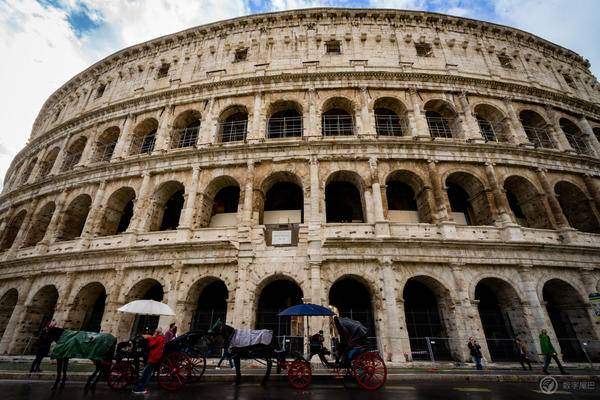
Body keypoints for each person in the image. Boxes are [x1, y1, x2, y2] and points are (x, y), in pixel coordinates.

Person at [133, 328, 165, 394]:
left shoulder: (159, 338)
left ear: (157, 332)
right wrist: (151, 337)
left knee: (146, 373)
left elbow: (150, 344)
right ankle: (140, 387)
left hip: (153, 358)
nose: (154, 332)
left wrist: (149, 338)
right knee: (147, 373)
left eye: (155, 331)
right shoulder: (160, 338)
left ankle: (140, 388)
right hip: (155, 357)